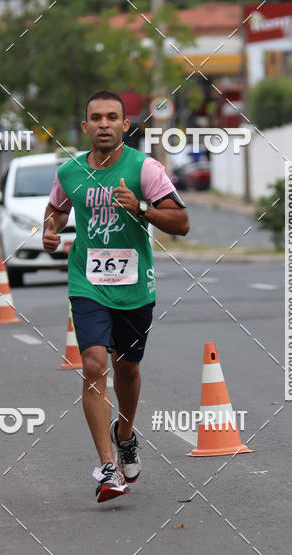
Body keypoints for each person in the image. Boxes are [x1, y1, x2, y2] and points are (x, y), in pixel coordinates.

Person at [43, 89, 189, 503]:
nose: (103, 124)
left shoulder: (145, 169)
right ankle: (108, 468)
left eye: (112, 117)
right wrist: (50, 230)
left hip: (134, 286)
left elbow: (181, 222)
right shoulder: (69, 171)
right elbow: (56, 210)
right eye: (96, 117)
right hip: (87, 282)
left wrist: (141, 209)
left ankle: (124, 433)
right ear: (85, 126)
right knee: (93, 365)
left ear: (125, 125)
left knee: (127, 370)